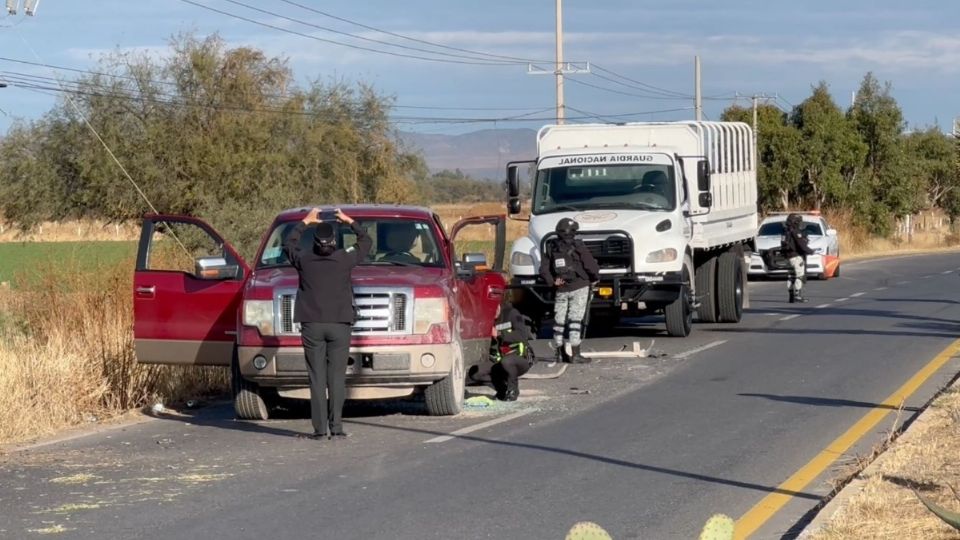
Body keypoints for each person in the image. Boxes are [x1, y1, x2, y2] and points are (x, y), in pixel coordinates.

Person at [283, 207, 372, 440]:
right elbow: (366, 240)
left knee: (317, 377)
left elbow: (288, 243)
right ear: (334, 241)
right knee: (336, 377)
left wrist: (305, 221)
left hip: (311, 324)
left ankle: (320, 430)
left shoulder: (303, 259)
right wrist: (349, 220)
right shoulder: (345, 258)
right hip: (340, 324)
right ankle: (337, 427)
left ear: (313, 241)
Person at [539, 218, 600, 364]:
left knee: (559, 320)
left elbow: (544, 270)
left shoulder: (551, 247)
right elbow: (590, 265)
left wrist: (552, 282)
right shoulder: (578, 246)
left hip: (560, 288)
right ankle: (576, 354)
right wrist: (595, 277)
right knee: (575, 320)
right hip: (579, 286)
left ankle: (559, 353)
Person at [468, 299, 535, 401]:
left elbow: (523, 335)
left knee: (507, 362)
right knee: (475, 372)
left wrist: (499, 334)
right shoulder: (485, 320)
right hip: (500, 360)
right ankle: (502, 389)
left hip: (521, 358)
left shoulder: (511, 313)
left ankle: (513, 390)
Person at [781, 213, 814, 303]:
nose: (799, 223)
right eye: (798, 221)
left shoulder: (785, 231)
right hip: (796, 257)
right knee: (799, 276)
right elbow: (801, 245)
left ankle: (791, 296)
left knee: (790, 277)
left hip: (787, 257)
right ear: (795, 222)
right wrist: (810, 251)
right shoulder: (795, 231)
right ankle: (797, 295)